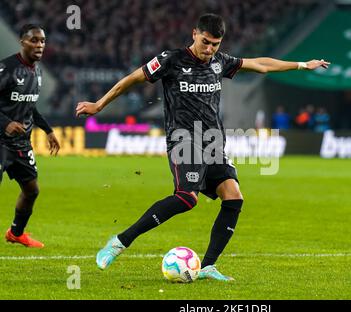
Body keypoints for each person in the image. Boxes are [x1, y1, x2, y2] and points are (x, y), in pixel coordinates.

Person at [76, 13, 330, 281]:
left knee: (234, 197)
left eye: (216, 44)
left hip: (213, 143)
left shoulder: (220, 62)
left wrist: (302, 64)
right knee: (186, 198)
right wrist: (99, 105)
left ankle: (208, 266)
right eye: (206, 42)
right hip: (183, 140)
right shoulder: (171, 60)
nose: (210, 49)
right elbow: (132, 79)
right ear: (194, 34)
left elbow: (260, 65)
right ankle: (119, 242)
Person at [0, 24, 60, 248]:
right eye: (34, 40)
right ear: (22, 42)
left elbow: (29, 106)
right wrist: (6, 123)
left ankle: (16, 233)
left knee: (31, 190)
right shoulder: (6, 69)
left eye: (43, 41)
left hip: (20, 143)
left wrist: (48, 129)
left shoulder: (38, 71)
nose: (40, 45)